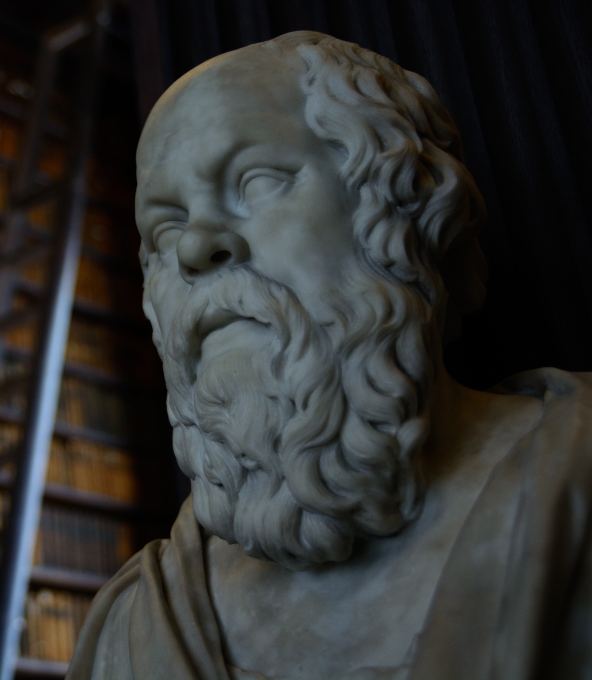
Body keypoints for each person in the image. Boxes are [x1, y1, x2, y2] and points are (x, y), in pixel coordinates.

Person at [67, 31, 592, 680]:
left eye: (255, 180)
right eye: (165, 226)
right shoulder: (133, 626)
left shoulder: (576, 477)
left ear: (398, 207)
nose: (196, 245)